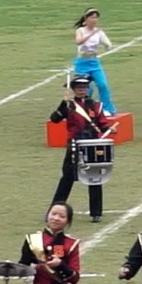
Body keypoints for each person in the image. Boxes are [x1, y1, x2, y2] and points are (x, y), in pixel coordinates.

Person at [50, 74, 113, 223]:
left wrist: (109, 128)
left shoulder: (96, 105)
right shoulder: (69, 105)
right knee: (67, 178)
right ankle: (54, 210)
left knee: (95, 178)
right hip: (75, 145)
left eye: (84, 88)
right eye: (78, 88)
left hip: (92, 145)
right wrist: (62, 105)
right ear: (73, 90)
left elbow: (102, 123)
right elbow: (54, 119)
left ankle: (96, 212)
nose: (81, 91)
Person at [74, 9, 115, 114]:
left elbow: (107, 43)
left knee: (103, 85)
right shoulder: (81, 31)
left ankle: (107, 109)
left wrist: (108, 46)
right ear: (86, 19)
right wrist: (90, 34)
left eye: (96, 17)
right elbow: (78, 42)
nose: (94, 20)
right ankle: (84, 109)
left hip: (94, 62)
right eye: (92, 17)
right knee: (86, 88)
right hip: (82, 63)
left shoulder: (99, 32)